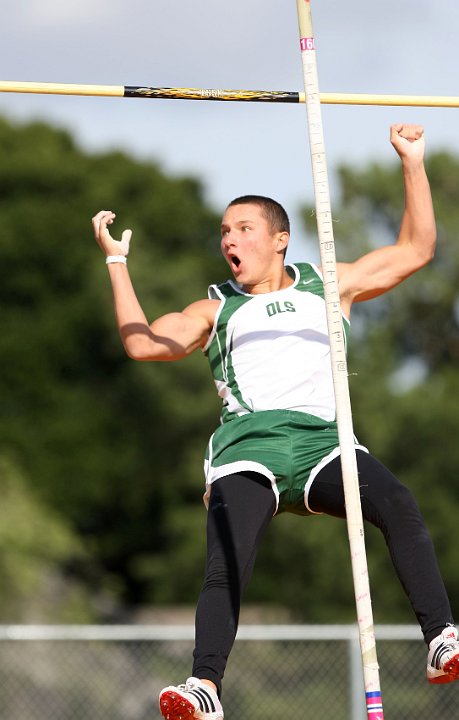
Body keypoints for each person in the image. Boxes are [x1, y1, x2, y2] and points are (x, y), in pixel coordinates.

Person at [92, 123, 459, 720]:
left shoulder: (328, 286)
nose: (229, 241)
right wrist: (116, 263)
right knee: (228, 560)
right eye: (224, 232)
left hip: (325, 444)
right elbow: (145, 345)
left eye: (243, 229)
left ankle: (441, 638)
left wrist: (412, 162)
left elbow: (417, 249)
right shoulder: (216, 306)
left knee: (397, 502)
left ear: (280, 239)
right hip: (248, 446)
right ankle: (204, 686)